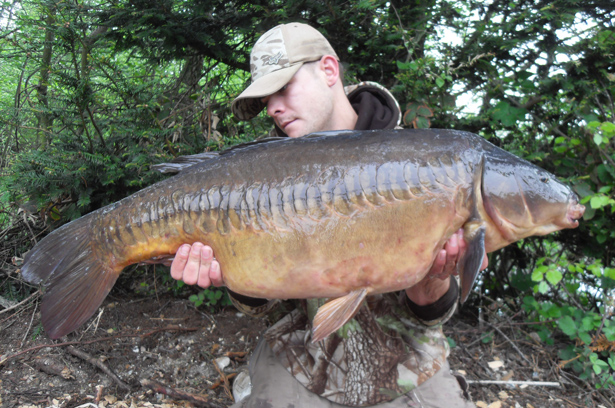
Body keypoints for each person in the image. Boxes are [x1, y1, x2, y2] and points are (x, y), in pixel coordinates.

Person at [170, 23, 486, 407]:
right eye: (266, 99)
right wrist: (230, 270)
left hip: (406, 358)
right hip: (301, 355)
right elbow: (259, 306)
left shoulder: (417, 161)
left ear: (329, 70)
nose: (272, 108)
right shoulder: (259, 175)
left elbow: (431, 314)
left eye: (283, 88)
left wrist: (435, 276)